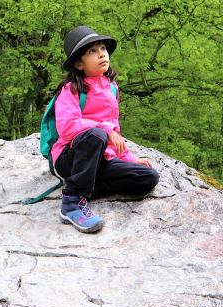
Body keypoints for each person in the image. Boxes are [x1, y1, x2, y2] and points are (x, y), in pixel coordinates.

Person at [52, 25, 160, 233]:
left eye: (102, 48)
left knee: (148, 177)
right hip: (71, 158)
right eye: (92, 51)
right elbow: (67, 127)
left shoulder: (111, 88)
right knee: (96, 134)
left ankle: (87, 186)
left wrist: (129, 158)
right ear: (79, 64)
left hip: (100, 159)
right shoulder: (71, 89)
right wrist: (103, 129)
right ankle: (72, 203)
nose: (102, 54)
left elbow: (114, 130)